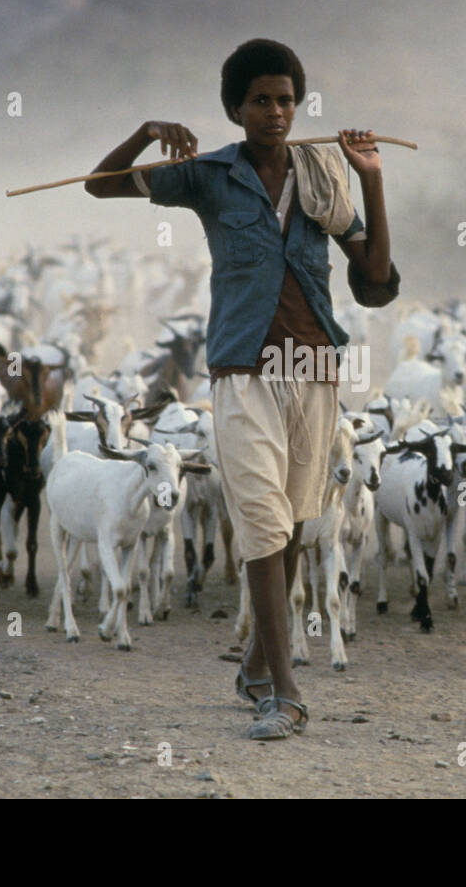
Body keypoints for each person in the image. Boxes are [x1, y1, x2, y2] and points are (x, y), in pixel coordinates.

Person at [85, 38, 398, 740]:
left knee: (292, 524)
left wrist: (370, 175)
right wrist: (145, 134)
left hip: (314, 366)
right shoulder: (207, 174)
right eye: (261, 100)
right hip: (243, 369)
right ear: (235, 108)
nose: (276, 112)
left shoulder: (323, 175)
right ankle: (284, 692)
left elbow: (375, 280)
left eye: (286, 100)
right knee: (261, 518)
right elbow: (98, 185)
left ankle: (257, 662)